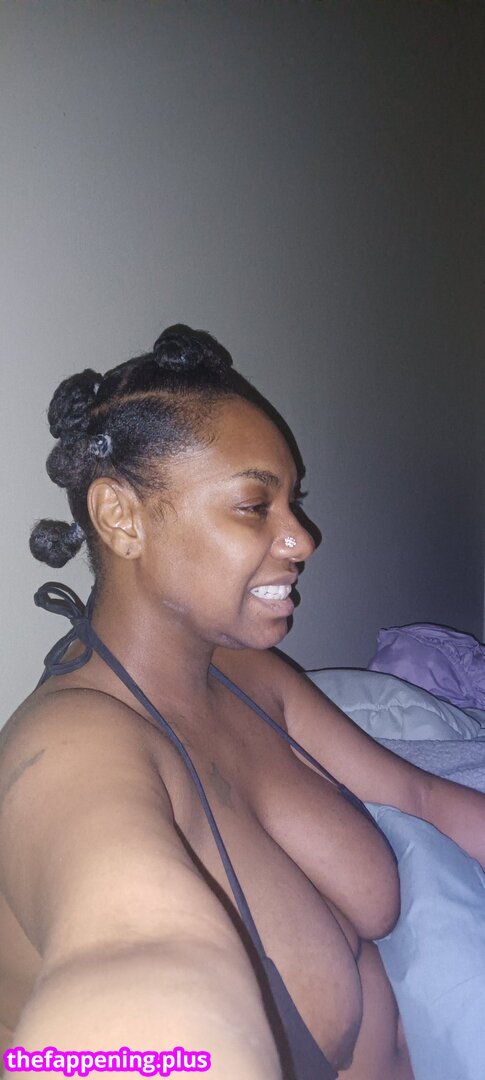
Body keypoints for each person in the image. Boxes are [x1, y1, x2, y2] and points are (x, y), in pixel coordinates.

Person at [2, 326, 485, 1079]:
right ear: (121, 518)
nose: (302, 539)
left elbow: (419, 797)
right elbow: (131, 958)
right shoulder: (71, 754)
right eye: (255, 505)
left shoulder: (244, 670)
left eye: (294, 502)